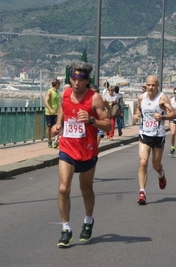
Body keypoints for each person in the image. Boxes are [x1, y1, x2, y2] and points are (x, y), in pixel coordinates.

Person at [51, 61, 111, 248]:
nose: (76, 83)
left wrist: (92, 120)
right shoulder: (65, 94)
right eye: (73, 79)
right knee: (63, 189)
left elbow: (108, 124)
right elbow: (63, 110)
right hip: (67, 148)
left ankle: (88, 220)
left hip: (87, 150)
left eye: (80, 79)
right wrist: (58, 124)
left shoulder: (95, 98)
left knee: (86, 188)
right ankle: (66, 228)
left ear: (87, 81)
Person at [133, 75, 176, 205]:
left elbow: (173, 113)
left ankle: (161, 174)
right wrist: (136, 115)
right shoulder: (141, 97)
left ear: (157, 85)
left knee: (155, 165)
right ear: (145, 85)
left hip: (158, 135)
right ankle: (142, 193)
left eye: (153, 85)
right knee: (143, 162)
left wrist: (162, 118)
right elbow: (139, 109)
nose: (151, 87)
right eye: (149, 85)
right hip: (144, 134)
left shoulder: (162, 98)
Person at [44, 78, 61, 148]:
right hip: (49, 113)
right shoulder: (49, 91)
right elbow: (45, 101)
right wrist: (50, 109)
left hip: (56, 113)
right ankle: (49, 141)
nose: (60, 85)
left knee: (56, 127)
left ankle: (56, 141)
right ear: (57, 84)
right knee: (49, 128)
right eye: (59, 84)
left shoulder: (57, 92)